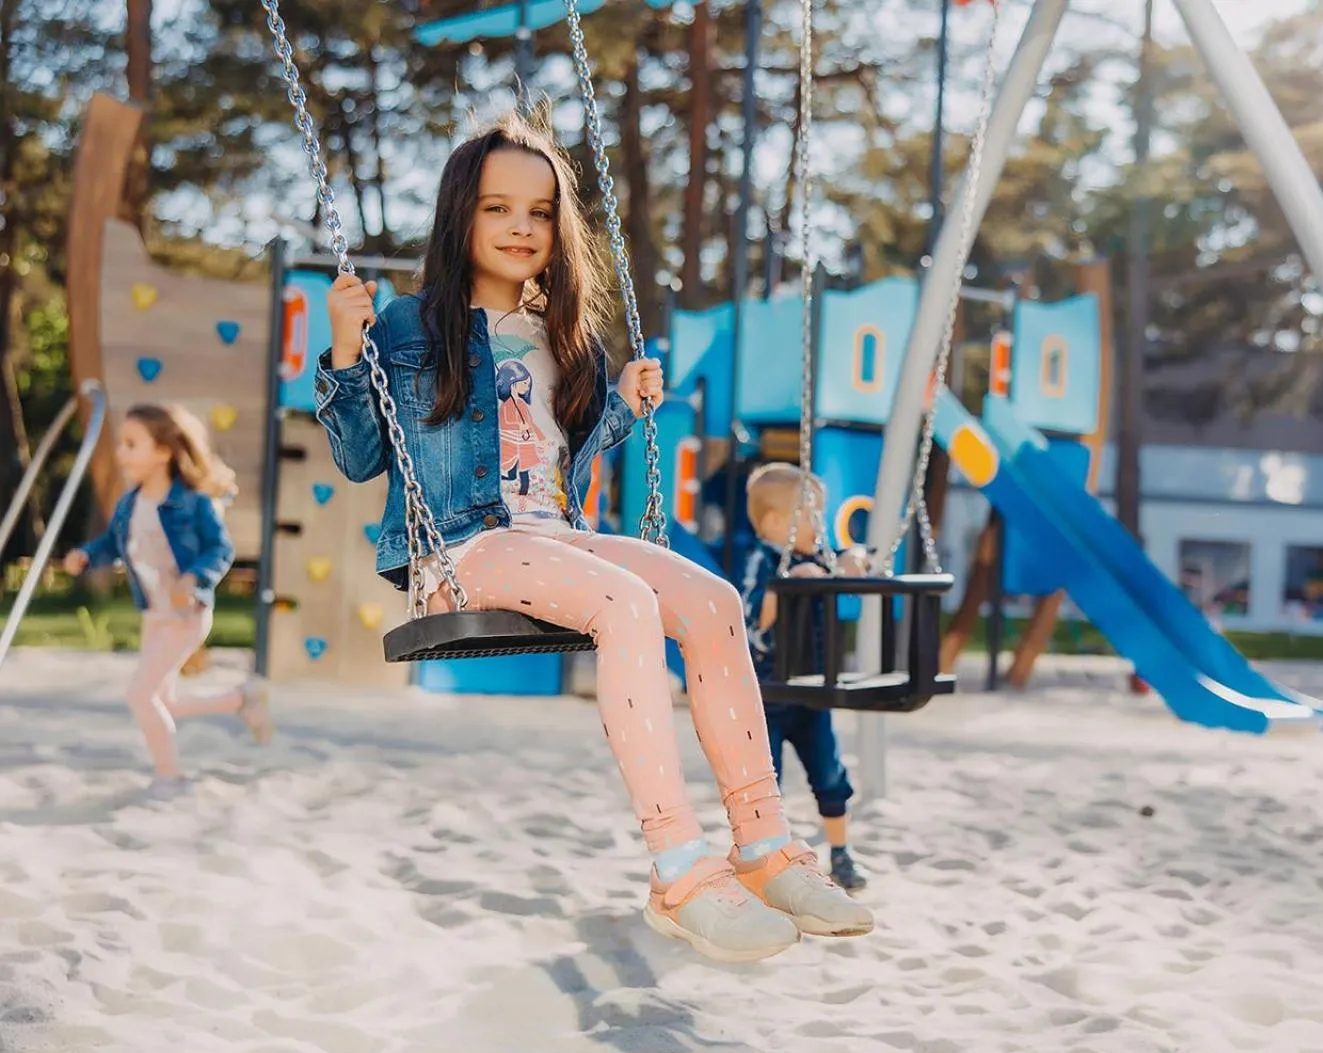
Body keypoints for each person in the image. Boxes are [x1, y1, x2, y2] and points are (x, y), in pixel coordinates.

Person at [316, 110, 872, 964]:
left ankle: (763, 845)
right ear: (460, 215)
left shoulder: (560, 331)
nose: (521, 227)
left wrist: (623, 406)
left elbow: (558, 454)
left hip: (555, 537)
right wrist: (346, 351)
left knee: (713, 600)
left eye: (539, 213)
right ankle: (677, 866)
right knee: (625, 600)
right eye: (498, 208)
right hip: (459, 552)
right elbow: (359, 457)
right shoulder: (407, 325)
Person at [64, 404, 272, 798]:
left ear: (163, 451)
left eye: (131, 444)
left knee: (140, 695)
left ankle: (170, 777)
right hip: (155, 614)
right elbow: (112, 543)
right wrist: (87, 555)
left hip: (186, 614)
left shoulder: (193, 502)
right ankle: (240, 700)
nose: (121, 452)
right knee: (164, 701)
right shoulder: (130, 503)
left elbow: (220, 549)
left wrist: (194, 578)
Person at [738, 463, 869, 893]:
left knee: (829, 774)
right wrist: (785, 584)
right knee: (766, 783)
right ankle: (765, 861)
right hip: (769, 694)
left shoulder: (816, 558)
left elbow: (845, 570)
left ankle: (841, 853)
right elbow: (753, 621)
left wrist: (853, 560)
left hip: (812, 692)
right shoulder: (762, 560)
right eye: (813, 515)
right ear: (778, 522)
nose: (822, 526)